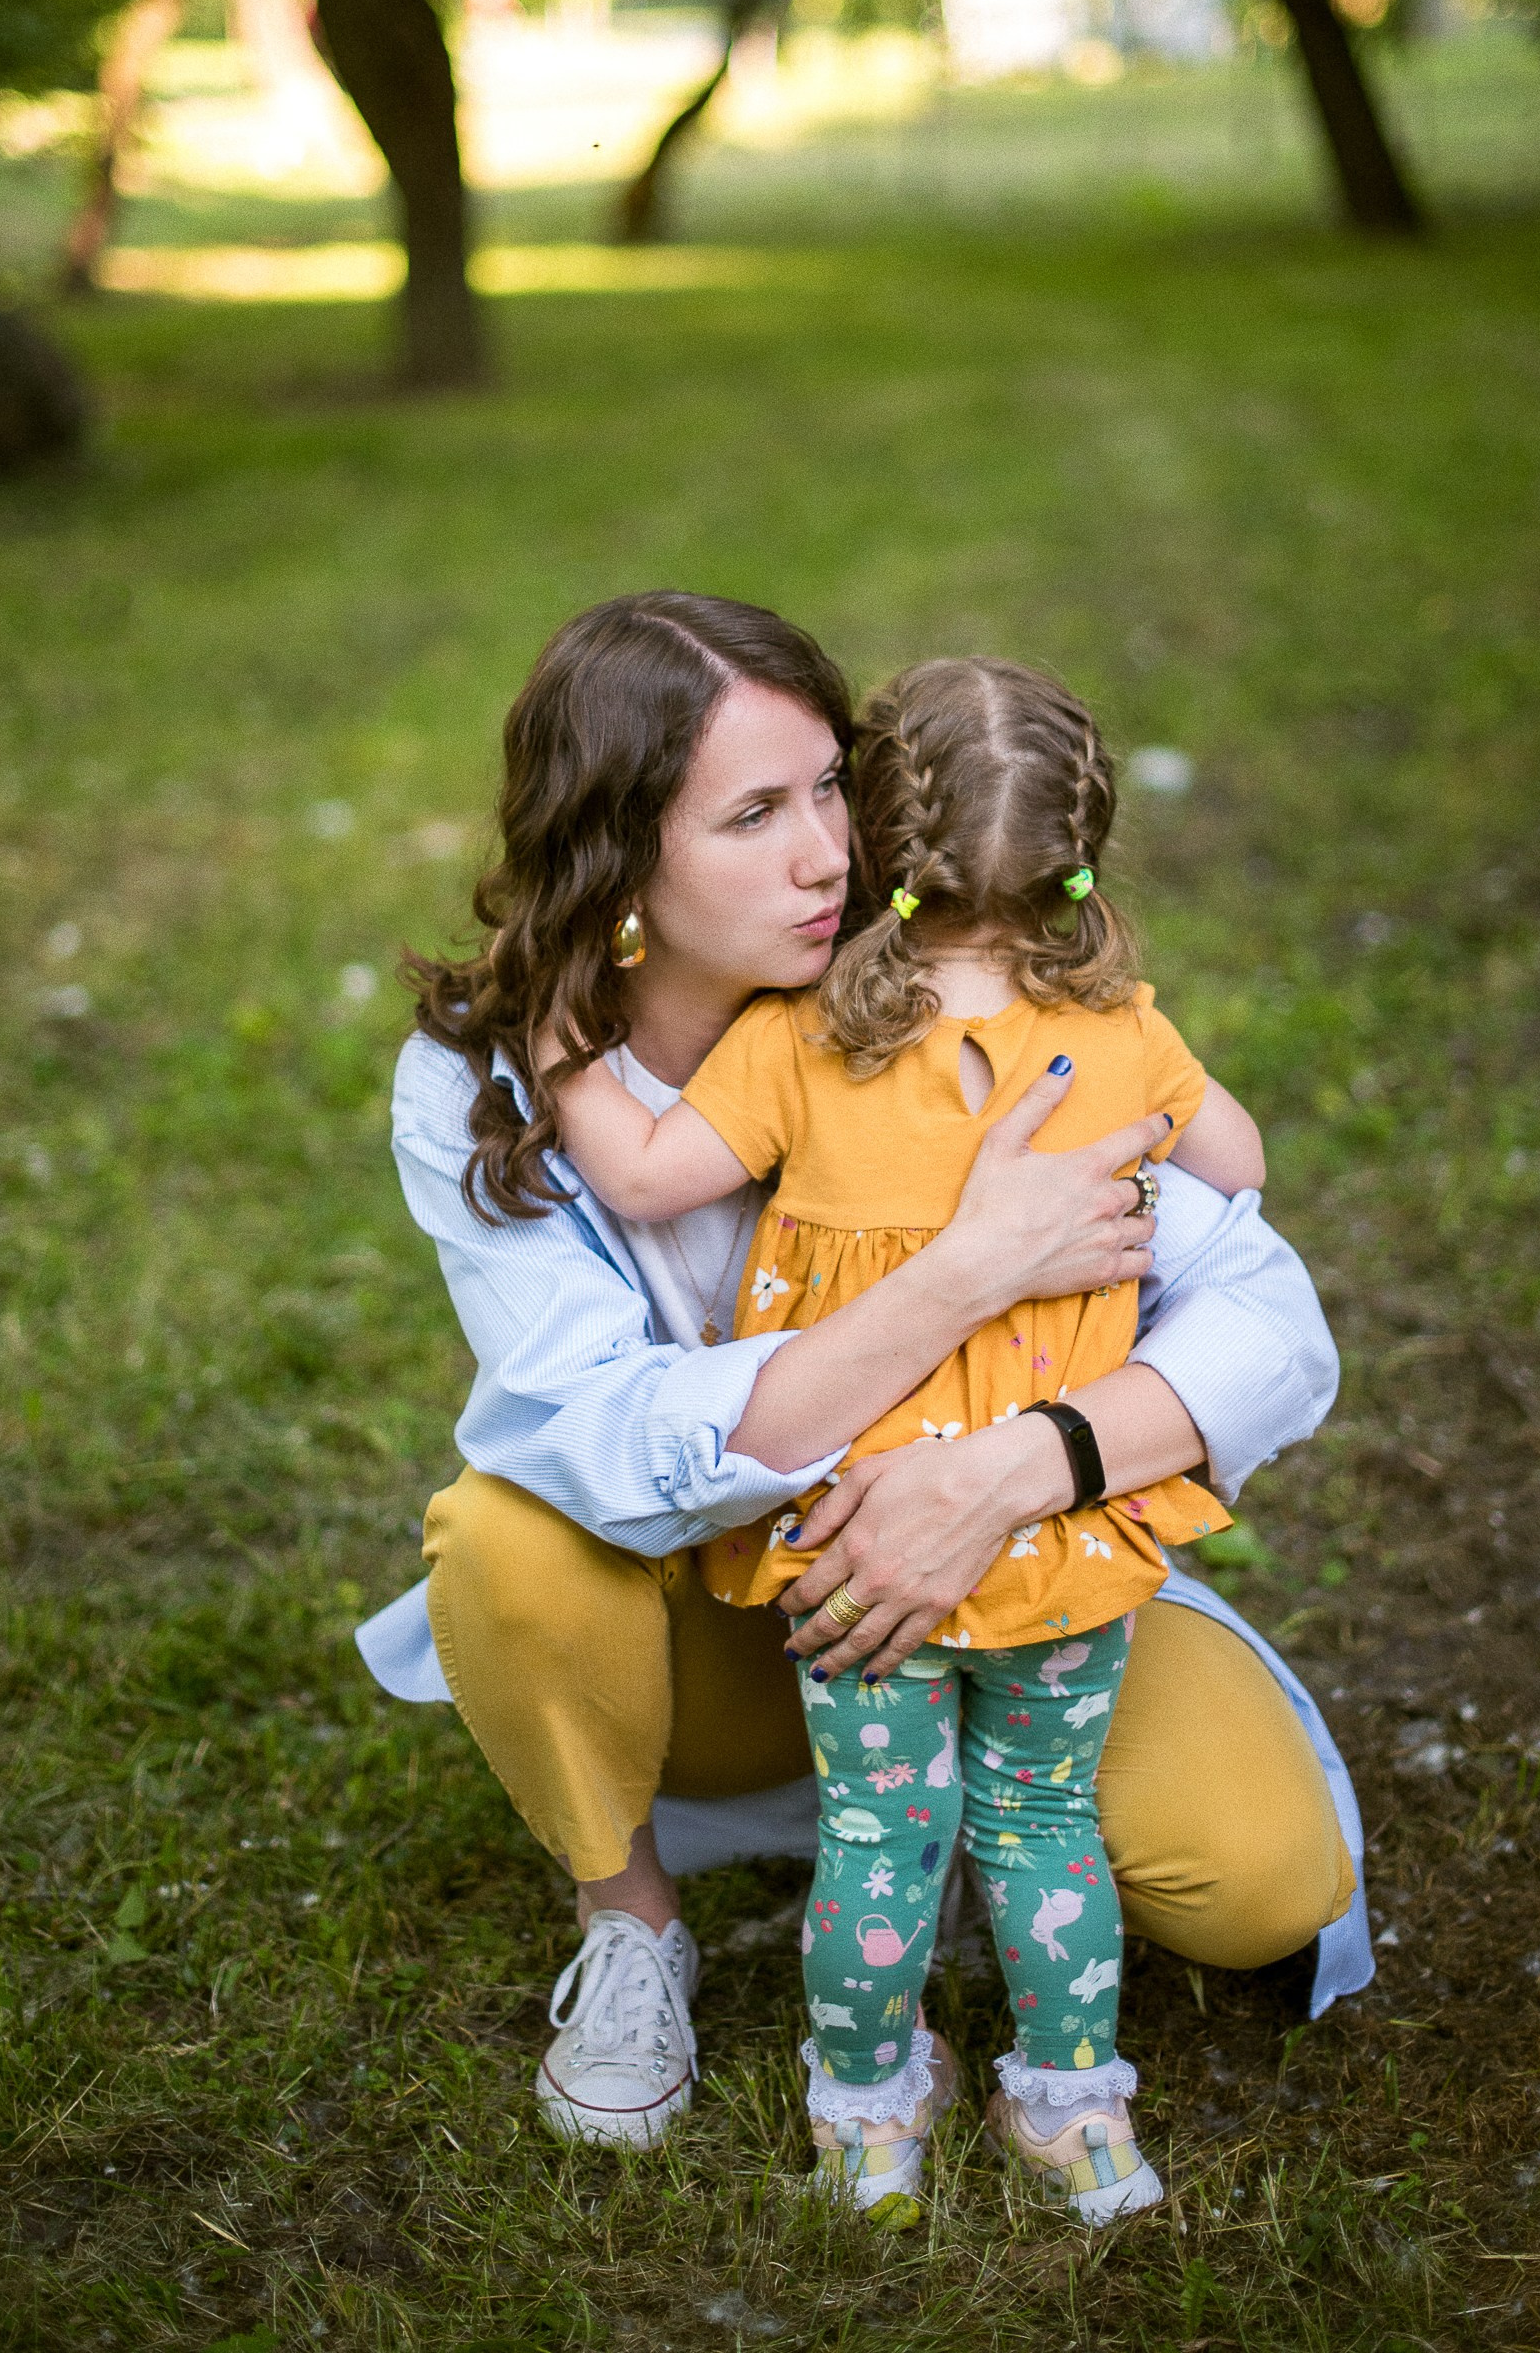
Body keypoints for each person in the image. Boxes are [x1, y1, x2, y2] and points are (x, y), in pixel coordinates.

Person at [352, 593, 1370, 2161]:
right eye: (755, 814)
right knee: (503, 1535)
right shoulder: (489, 1078)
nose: (830, 852)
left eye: (834, 786)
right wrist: (968, 1267)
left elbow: (1271, 1321)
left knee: (1261, 1884)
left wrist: (1007, 1472)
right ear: (618, 852)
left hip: (1014, 1560)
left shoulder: (962, 1003)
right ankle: (633, 1923)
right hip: (709, 1609)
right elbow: (602, 1436)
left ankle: (957, 1828)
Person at [540, 657, 1269, 2223]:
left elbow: (653, 1179)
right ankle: (1073, 2111)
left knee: (880, 1833)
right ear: (1080, 854)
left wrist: (549, 1051)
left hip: (856, 1543)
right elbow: (1241, 1161)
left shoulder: (806, 1040)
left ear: (880, 843)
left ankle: (867, 2116)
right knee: (1044, 1824)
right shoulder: (1125, 1034)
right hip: (1064, 1547)